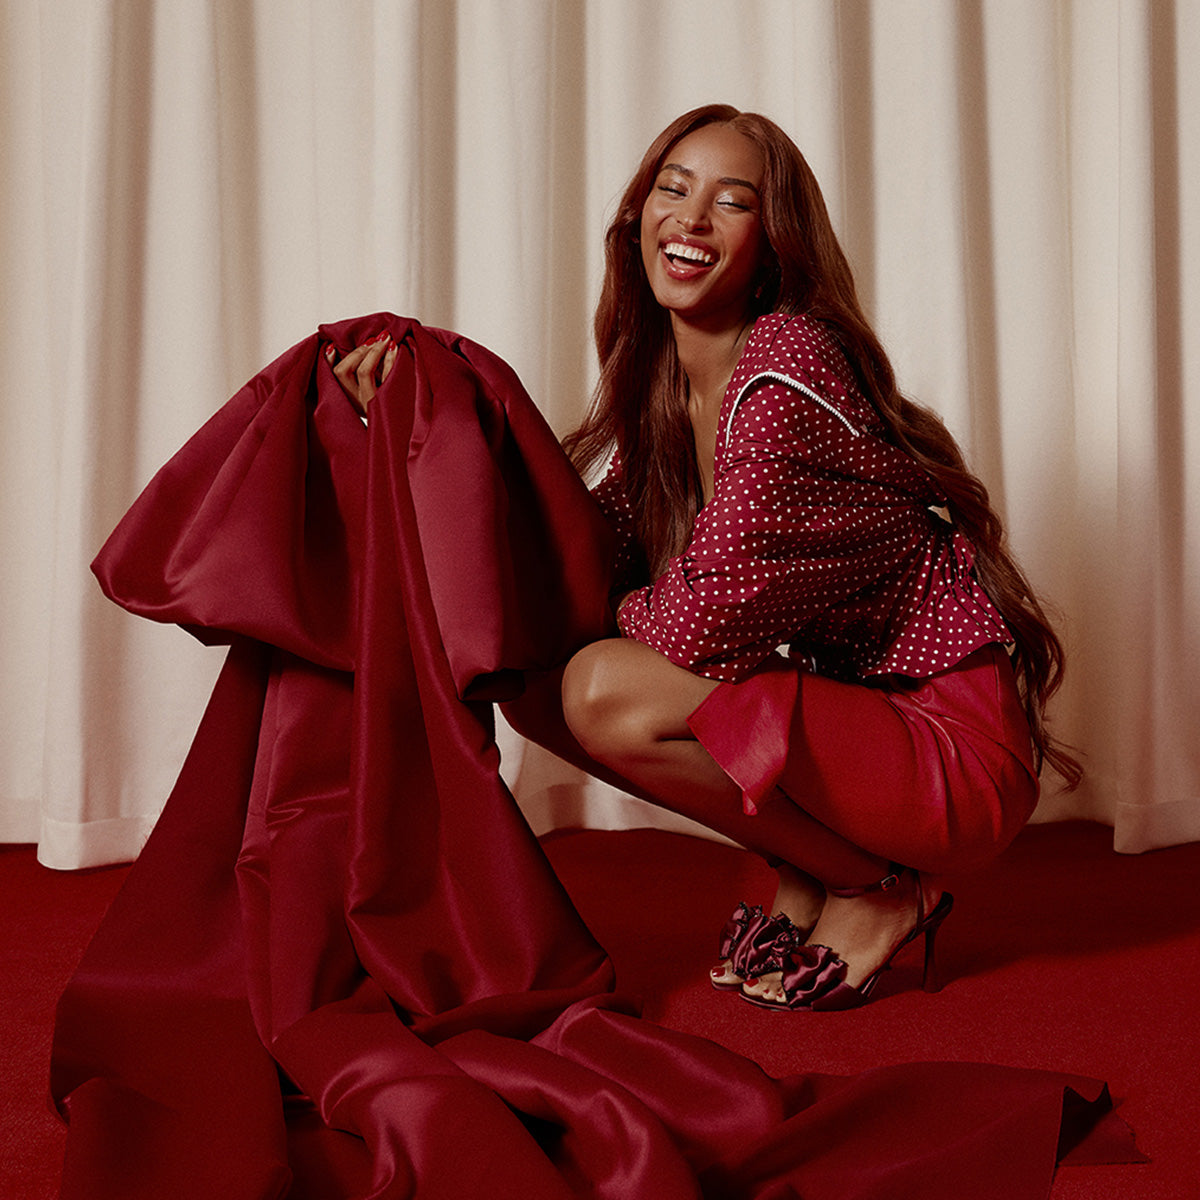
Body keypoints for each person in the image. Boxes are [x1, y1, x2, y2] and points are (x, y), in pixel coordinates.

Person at [331, 103, 1078, 1012]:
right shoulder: (667, 385)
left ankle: (878, 886)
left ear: (775, 244)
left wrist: (610, 613)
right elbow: (588, 551)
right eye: (672, 190)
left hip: (946, 751)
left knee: (601, 686)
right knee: (530, 681)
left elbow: (698, 617)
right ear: (638, 215)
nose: (688, 218)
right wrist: (422, 419)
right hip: (845, 726)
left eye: (731, 202)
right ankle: (819, 865)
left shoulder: (786, 370)